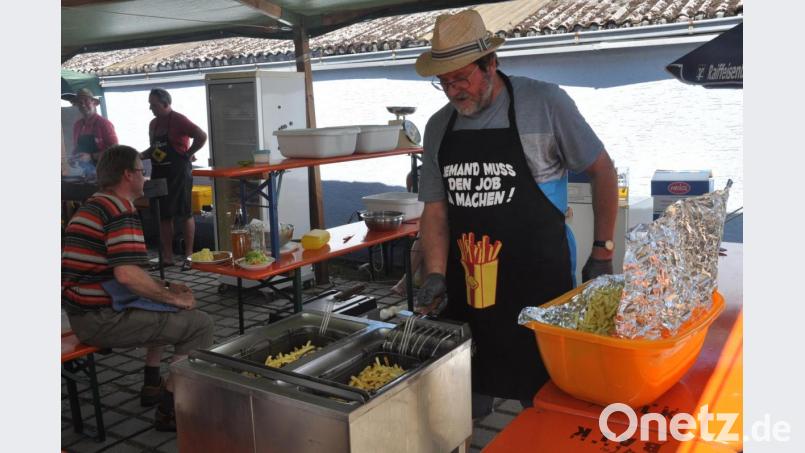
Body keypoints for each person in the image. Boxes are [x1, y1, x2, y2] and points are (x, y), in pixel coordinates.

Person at [413, 10, 618, 418]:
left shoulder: (545, 104)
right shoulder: (438, 127)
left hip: (539, 281)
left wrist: (603, 251)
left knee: (545, 398)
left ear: (491, 63)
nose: (454, 91)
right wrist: (435, 273)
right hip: (469, 285)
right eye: (444, 82)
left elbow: (602, 170)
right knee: (465, 396)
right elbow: (435, 211)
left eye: (462, 78)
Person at [62, 145, 214, 431]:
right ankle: (170, 410)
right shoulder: (120, 210)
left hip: (83, 312)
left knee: (161, 303)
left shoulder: (93, 205)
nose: (145, 178)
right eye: (142, 172)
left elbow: (123, 274)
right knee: (199, 325)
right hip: (100, 319)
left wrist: (167, 287)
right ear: (127, 175)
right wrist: (174, 298)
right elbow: (127, 275)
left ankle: (151, 382)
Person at [141, 88, 208, 268]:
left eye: (154, 105)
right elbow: (154, 148)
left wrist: (189, 153)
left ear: (165, 103)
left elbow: (201, 136)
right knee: (163, 215)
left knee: (184, 213)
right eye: (150, 105)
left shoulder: (179, 119)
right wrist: (140, 155)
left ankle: (189, 256)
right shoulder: (153, 124)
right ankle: (168, 257)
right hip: (158, 172)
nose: (150, 108)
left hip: (179, 173)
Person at [62, 88, 118, 179]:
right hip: (88, 173)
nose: (83, 104)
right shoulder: (78, 125)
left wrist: (91, 157)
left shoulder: (104, 124)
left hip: (106, 173)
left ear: (94, 103)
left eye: (86, 101)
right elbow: (77, 147)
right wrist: (73, 158)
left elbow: (115, 152)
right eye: (80, 102)